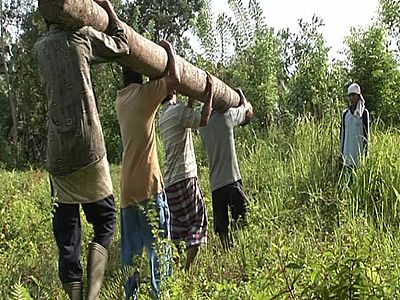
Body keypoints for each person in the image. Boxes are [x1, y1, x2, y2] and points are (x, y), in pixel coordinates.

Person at [34, 1, 130, 299]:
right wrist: (110, 11)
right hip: (88, 147)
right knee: (106, 220)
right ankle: (92, 294)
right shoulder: (82, 37)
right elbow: (122, 46)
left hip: (57, 152)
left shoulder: (39, 48)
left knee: (67, 232)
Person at [115, 40, 180, 299]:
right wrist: (169, 49)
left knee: (130, 255)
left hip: (126, 189)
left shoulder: (121, 100)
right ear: (141, 75)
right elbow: (174, 79)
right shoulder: (144, 96)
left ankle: (130, 296)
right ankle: (160, 295)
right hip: (149, 186)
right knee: (159, 250)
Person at [158, 73, 214, 270]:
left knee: (179, 228)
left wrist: (190, 99)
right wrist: (210, 94)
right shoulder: (177, 112)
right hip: (186, 177)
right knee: (198, 221)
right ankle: (186, 269)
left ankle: (173, 269)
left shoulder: (164, 116)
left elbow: (184, 119)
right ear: (174, 91)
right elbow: (203, 120)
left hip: (170, 182)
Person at [199, 90, 253, 248]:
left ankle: (227, 250)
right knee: (243, 218)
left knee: (222, 228)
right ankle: (241, 250)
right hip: (232, 180)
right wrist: (241, 95)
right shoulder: (228, 115)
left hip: (215, 185)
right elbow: (248, 112)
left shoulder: (203, 124)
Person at [338, 83, 370, 175]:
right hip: (347, 155)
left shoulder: (363, 113)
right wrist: (340, 154)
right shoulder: (345, 114)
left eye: (353, 95)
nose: (351, 98)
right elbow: (342, 135)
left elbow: (366, 136)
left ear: (358, 96)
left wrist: (366, 155)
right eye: (349, 96)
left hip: (358, 156)